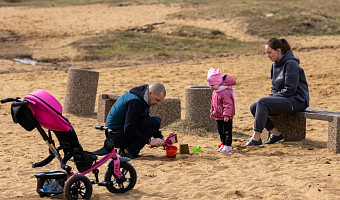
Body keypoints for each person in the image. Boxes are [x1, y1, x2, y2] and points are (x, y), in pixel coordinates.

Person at [244, 38, 309, 146]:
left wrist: (271, 100)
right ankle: (276, 134)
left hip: (297, 100)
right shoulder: (274, 65)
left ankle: (256, 138)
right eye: (266, 53)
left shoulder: (291, 64)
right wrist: (272, 98)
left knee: (262, 102)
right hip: (286, 98)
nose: (267, 56)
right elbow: (274, 88)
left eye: (270, 53)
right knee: (255, 106)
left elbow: (290, 89)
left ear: (278, 50)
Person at [105, 82, 166, 158]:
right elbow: (129, 128)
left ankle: (125, 149)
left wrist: (161, 138)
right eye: (157, 100)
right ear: (150, 93)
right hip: (115, 136)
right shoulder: (136, 102)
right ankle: (128, 151)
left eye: (160, 101)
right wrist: (149, 141)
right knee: (155, 121)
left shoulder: (142, 97)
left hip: (116, 132)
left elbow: (144, 120)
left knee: (154, 121)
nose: (158, 103)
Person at [207, 68, 236, 153]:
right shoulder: (216, 91)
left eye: (212, 85)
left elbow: (228, 104)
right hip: (218, 116)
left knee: (226, 131)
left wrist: (227, 115)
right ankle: (223, 144)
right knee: (221, 131)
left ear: (218, 83)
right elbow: (213, 103)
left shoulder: (225, 92)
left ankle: (228, 145)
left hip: (226, 117)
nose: (211, 87)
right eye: (210, 85)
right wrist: (212, 111)